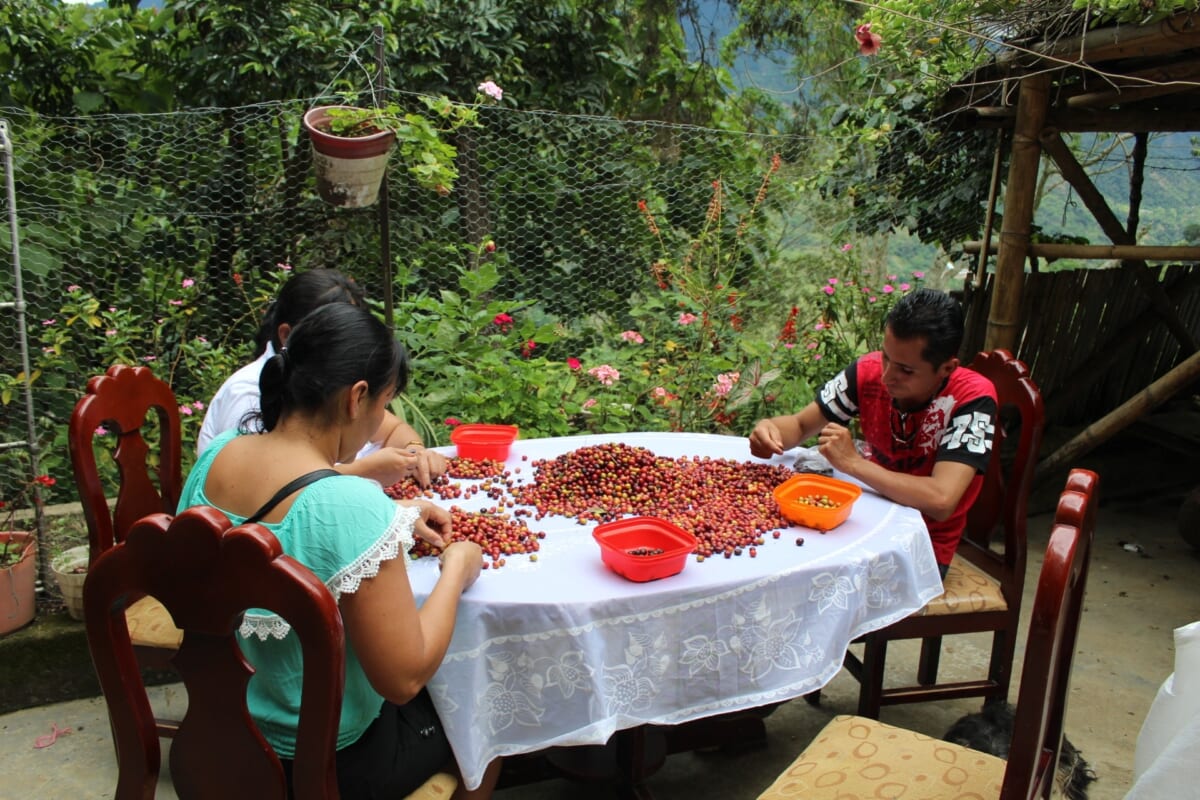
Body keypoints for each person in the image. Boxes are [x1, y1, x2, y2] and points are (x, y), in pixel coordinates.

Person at [179, 302, 500, 799]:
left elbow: (285, 515)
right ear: (357, 398)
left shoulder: (217, 456)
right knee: (487, 718)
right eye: (384, 404)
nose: (379, 423)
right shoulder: (353, 506)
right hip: (328, 761)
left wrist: (395, 520)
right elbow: (403, 678)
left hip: (219, 737)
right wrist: (456, 570)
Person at [750, 288, 998, 578]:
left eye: (905, 370)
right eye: (886, 357)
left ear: (947, 368)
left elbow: (941, 500)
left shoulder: (973, 399)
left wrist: (853, 464)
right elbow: (803, 425)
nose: (886, 376)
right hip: (861, 521)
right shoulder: (866, 373)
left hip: (920, 547)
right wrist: (770, 430)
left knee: (808, 580)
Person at [197, 268, 446, 487]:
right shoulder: (249, 394)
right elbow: (263, 487)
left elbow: (391, 429)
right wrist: (364, 471)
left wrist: (415, 454)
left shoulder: (328, 384)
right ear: (288, 335)